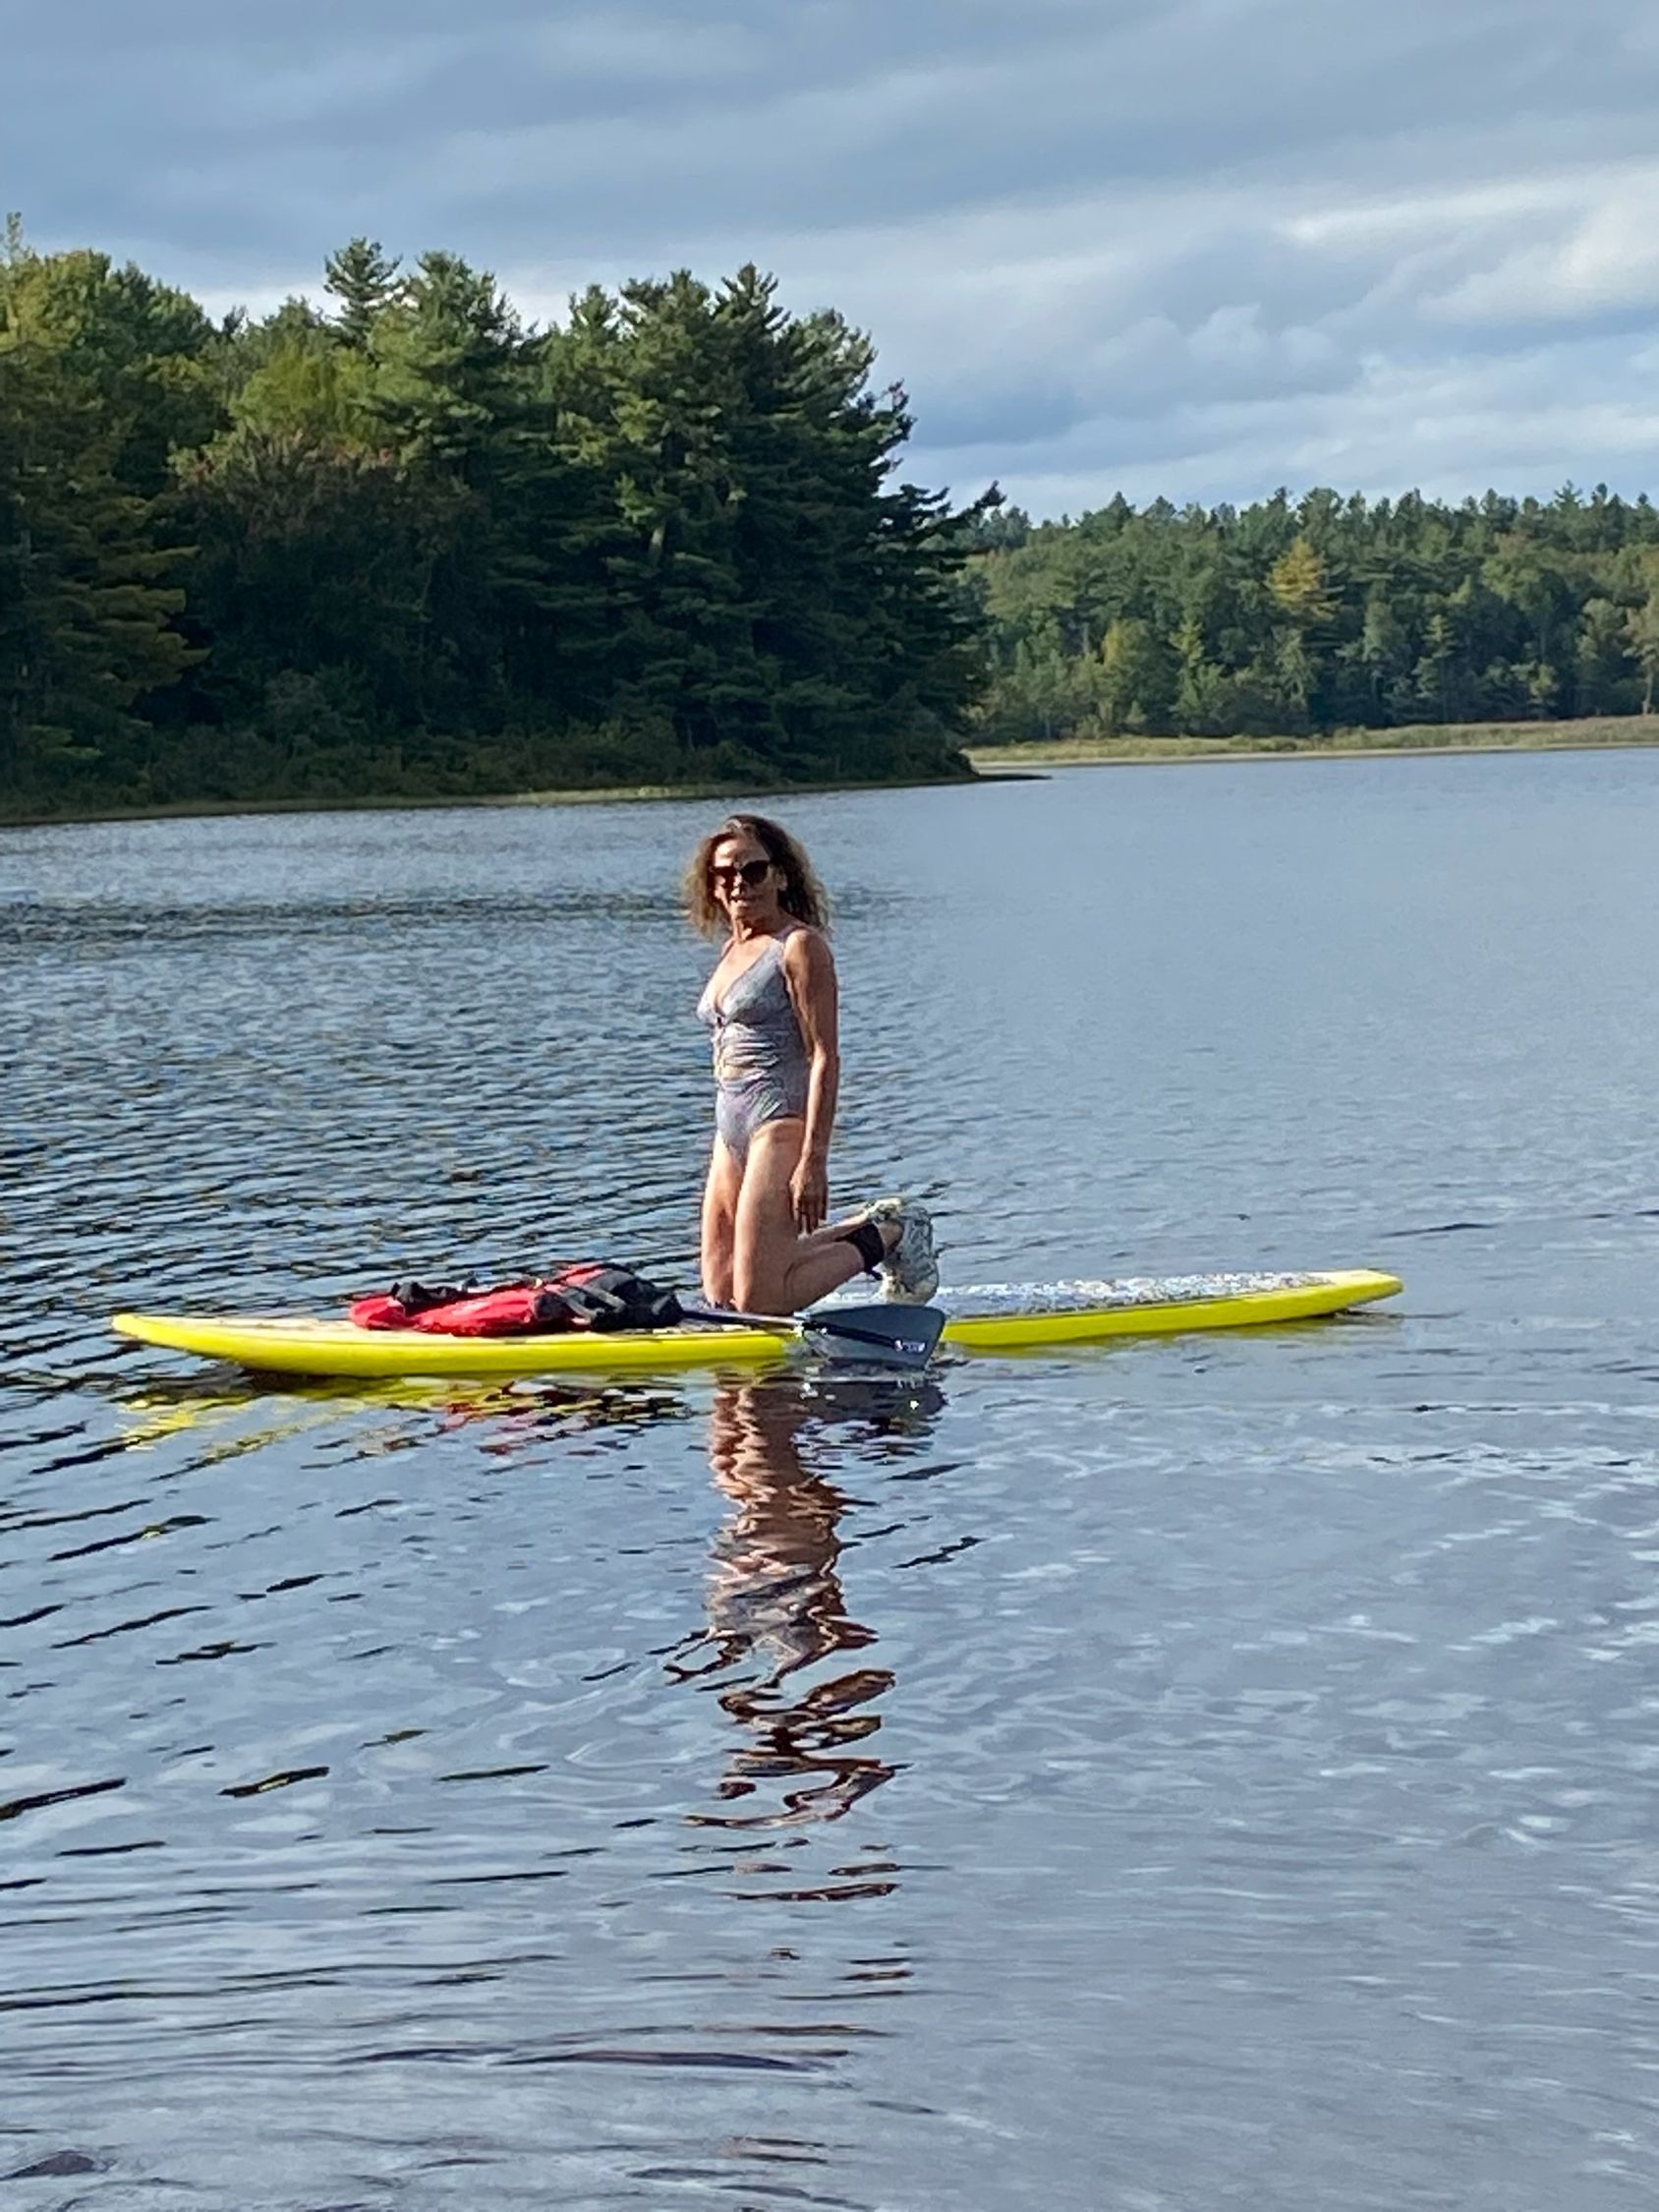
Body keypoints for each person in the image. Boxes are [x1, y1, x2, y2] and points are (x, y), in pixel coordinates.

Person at [685, 813, 937, 1315]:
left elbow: (824, 1054)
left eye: (753, 870)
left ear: (780, 876)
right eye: (725, 873)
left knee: (761, 1301)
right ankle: (877, 1222)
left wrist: (814, 1160)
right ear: (712, 885)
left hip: (778, 1121)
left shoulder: (799, 947)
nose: (739, 883)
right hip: (730, 1125)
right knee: (721, 1293)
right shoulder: (733, 947)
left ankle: (892, 1233)